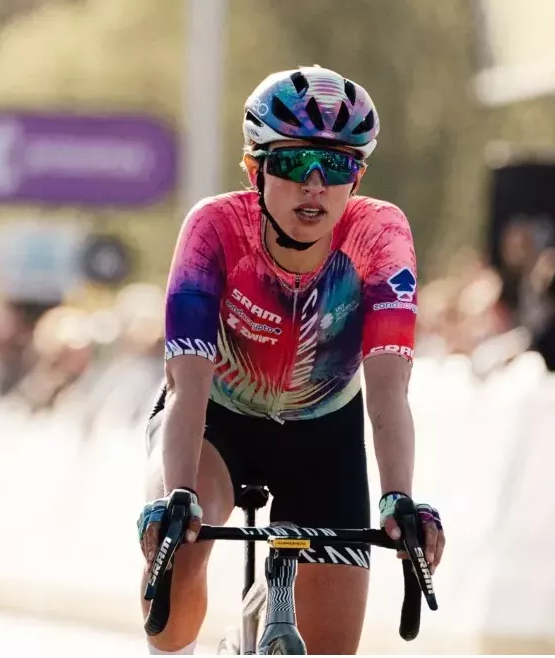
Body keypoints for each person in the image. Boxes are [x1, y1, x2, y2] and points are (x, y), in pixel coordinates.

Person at [136, 65, 445, 655]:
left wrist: (399, 499)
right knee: (176, 562)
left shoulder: (380, 236)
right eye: (294, 162)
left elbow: (388, 388)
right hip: (216, 422)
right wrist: (178, 496)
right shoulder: (213, 228)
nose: (315, 185)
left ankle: (262, 621)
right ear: (254, 169)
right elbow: (185, 385)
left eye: (336, 166)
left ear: (357, 177)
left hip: (324, 434)